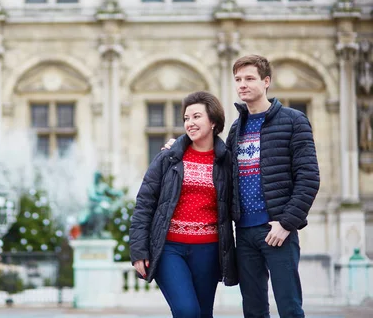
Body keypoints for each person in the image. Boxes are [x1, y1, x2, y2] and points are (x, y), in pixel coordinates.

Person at [163, 55, 320, 318]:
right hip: (244, 232)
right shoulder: (237, 128)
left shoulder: (294, 121)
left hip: (277, 229)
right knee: (254, 310)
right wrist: (176, 146)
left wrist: (286, 223)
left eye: (249, 78)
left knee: (289, 307)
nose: (242, 85)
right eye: (238, 80)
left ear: (266, 81)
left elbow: (309, 178)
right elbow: (210, 154)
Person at [129, 91, 238, 318]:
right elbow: (144, 203)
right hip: (169, 249)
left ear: (213, 122)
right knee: (187, 311)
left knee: (203, 314)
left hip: (208, 250)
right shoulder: (168, 158)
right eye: (186, 118)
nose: (190, 123)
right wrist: (139, 250)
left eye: (196, 117)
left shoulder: (227, 161)